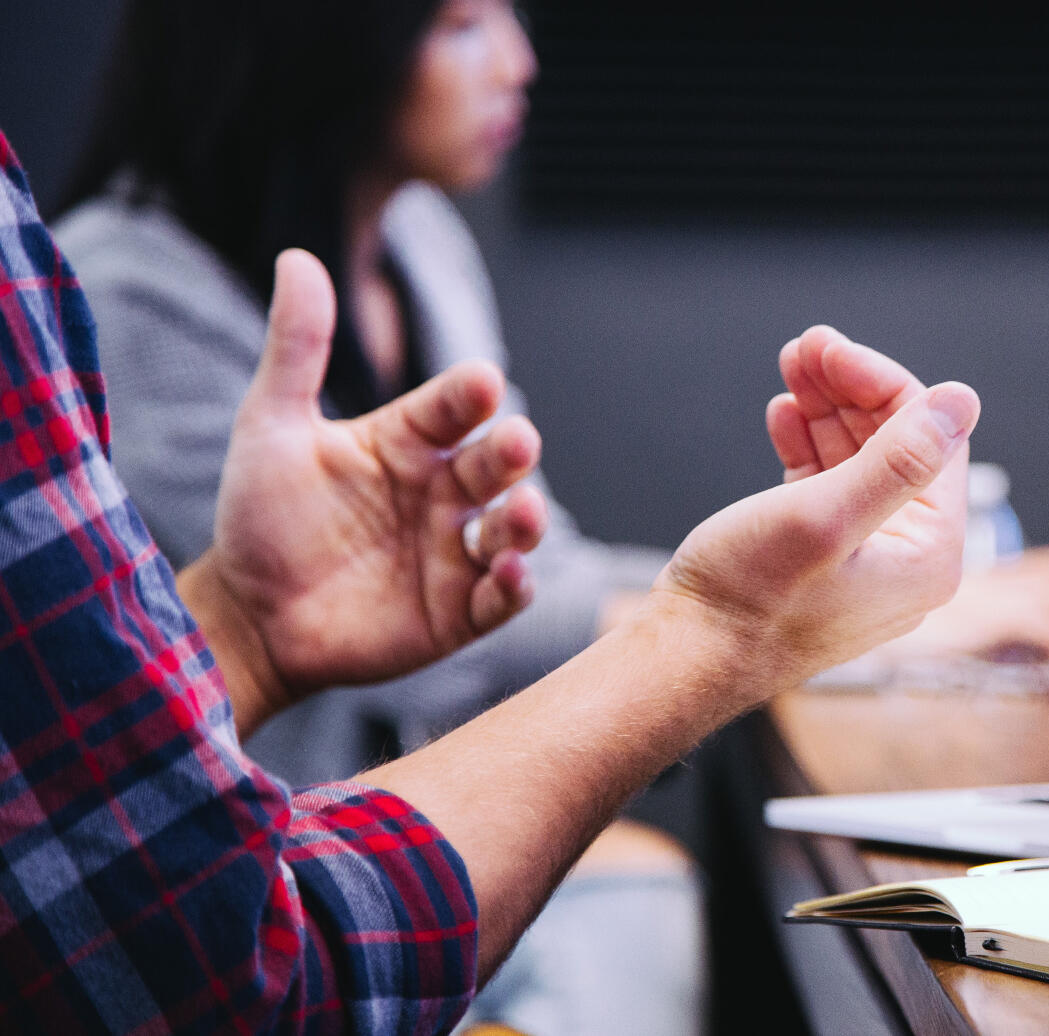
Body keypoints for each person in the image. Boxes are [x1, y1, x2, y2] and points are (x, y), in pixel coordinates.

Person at [1, 123, 980, 1031]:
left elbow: (56, 773)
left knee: (648, 907)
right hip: (307, 887)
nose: (519, 56)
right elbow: (218, 974)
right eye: (464, 22)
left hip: (342, 841)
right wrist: (727, 630)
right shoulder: (127, 283)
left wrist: (247, 630)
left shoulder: (420, 239)